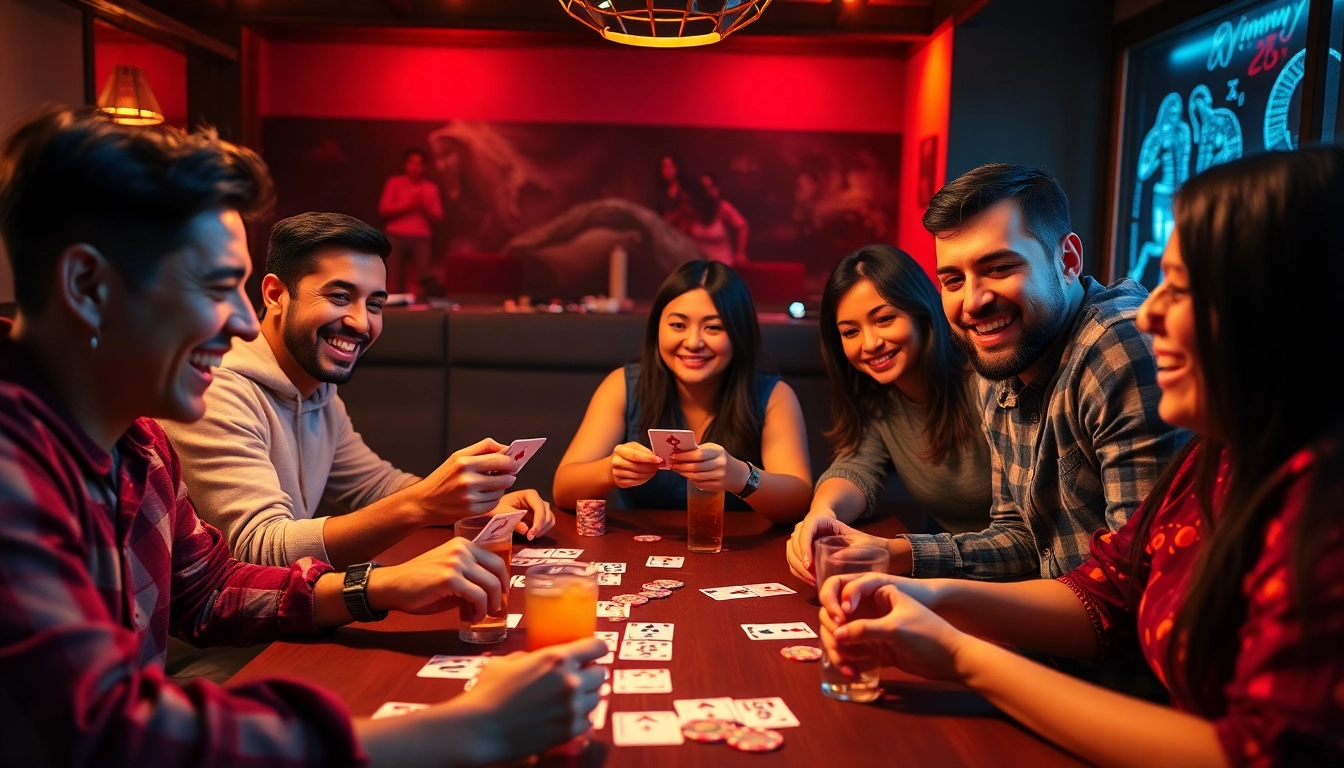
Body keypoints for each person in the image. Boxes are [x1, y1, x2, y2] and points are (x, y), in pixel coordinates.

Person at [0, 105, 605, 767]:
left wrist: (378, 586)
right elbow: (109, 734)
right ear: (88, 286)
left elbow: (208, 591)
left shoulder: (139, 441)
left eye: (374, 302)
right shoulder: (13, 465)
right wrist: (466, 733)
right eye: (214, 287)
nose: (240, 324)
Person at [818, 146, 1344, 767]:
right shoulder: (1221, 458)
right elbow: (1109, 587)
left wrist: (961, 652)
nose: (1149, 310)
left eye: (1181, 288)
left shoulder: (1320, 500)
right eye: (953, 279)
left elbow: (1258, 750)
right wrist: (929, 597)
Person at [160, 211, 554, 572]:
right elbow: (258, 549)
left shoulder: (317, 390)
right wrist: (422, 504)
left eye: (375, 304)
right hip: (222, 639)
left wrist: (475, 504)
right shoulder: (214, 389)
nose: (361, 323)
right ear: (275, 294)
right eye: (340, 297)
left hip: (285, 615)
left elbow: (375, 487)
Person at [785, 245, 991, 585]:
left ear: (921, 312)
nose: (870, 343)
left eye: (884, 319)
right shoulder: (879, 398)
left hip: (1028, 584)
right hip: (960, 582)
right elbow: (854, 468)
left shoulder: (984, 383)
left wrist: (894, 553)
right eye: (850, 332)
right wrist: (823, 512)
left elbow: (1024, 533)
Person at [553, 260, 812, 524]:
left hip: (739, 553)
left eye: (713, 327)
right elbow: (563, 491)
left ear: (739, 333)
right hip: (640, 550)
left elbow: (798, 502)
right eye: (678, 325)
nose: (693, 342)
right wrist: (609, 471)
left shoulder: (773, 396)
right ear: (657, 329)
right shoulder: (623, 385)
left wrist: (741, 477)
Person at [378, 147, 443, 296]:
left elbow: (438, 217)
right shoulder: (394, 183)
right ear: (405, 164)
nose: (416, 166)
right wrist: (409, 205)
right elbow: (384, 210)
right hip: (396, 236)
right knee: (392, 279)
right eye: (412, 162)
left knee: (422, 281)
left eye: (419, 163)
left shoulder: (430, 188)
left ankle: (420, 314)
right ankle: (391, 313)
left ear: (424, 166)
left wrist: (423, 207)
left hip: (421, 238)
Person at [685, 174, 749, 265]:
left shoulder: (723, 208)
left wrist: (740, 253)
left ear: (716, 190)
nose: (705, 191)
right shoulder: (693, 210)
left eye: (708, 187)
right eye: (702, 188)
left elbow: (743, 226)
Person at [654, 153, 691, 229]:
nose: (668, 170)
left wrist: (677, 216)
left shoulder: (686, 188)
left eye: (671, 166)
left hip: (685, 233)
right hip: (667, 233)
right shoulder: (660, 192)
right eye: (664, 167)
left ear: (677, 167)